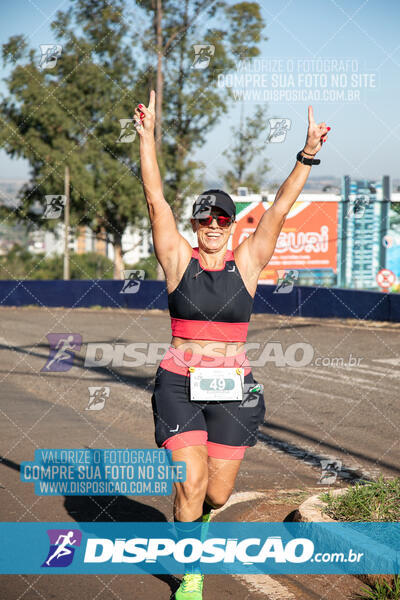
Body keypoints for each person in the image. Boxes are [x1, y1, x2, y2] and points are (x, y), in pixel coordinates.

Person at [135, 91, 329, 599]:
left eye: (223, 220)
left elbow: (281, 208)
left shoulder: (247, 263)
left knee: (216, 493)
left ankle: (195, 526)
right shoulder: (179, 260)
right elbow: (156, 200)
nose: (214, 228)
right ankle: (192, 574)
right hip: (180, 382)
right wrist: (147, 138)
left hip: (233, 386)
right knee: (191, 484)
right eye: (206, 220)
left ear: (231, 225)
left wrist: (307, 154)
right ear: (196, 225)